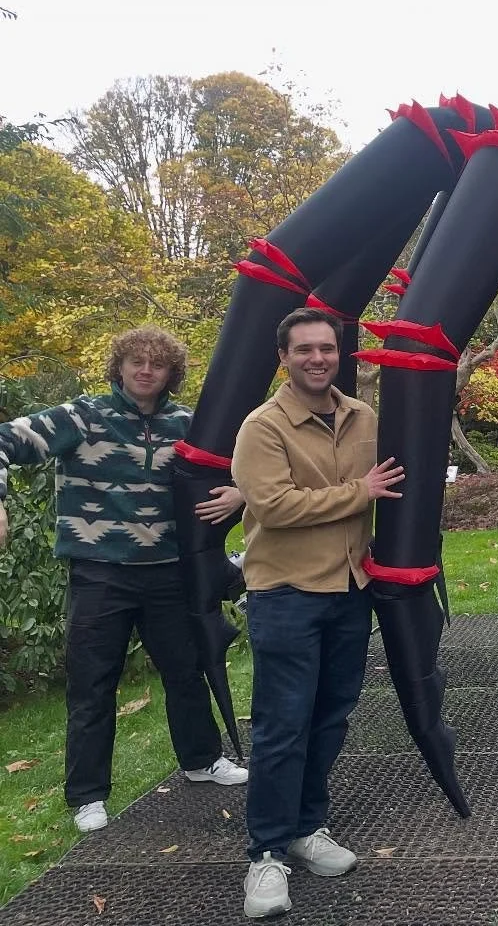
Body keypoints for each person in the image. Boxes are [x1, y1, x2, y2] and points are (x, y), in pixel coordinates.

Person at [0, 327, 248, 834]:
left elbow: (252, 463)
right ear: (120, 365)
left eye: (157, 363)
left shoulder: (188, 424)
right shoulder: (81, 417)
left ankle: (201, 761)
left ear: (170, 373)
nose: (145, 370)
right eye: (136, 360)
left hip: (167, 574)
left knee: (187, 671)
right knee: (92, 685)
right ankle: (88, 795)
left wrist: (240, 491)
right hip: (99, 575)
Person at [230, 308, 405, 919]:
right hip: (287, 592)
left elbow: (395, 478)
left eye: (327, 348)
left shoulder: (363, 417)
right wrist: (360, 493)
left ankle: (307, 827)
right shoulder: (263, 425)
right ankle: (266, 854)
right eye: (304, 349)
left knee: (331, 717)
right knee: (283, 724)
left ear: (340, 354)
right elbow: (274, 507)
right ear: (284, 357)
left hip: (350, 590)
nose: (317, 358)